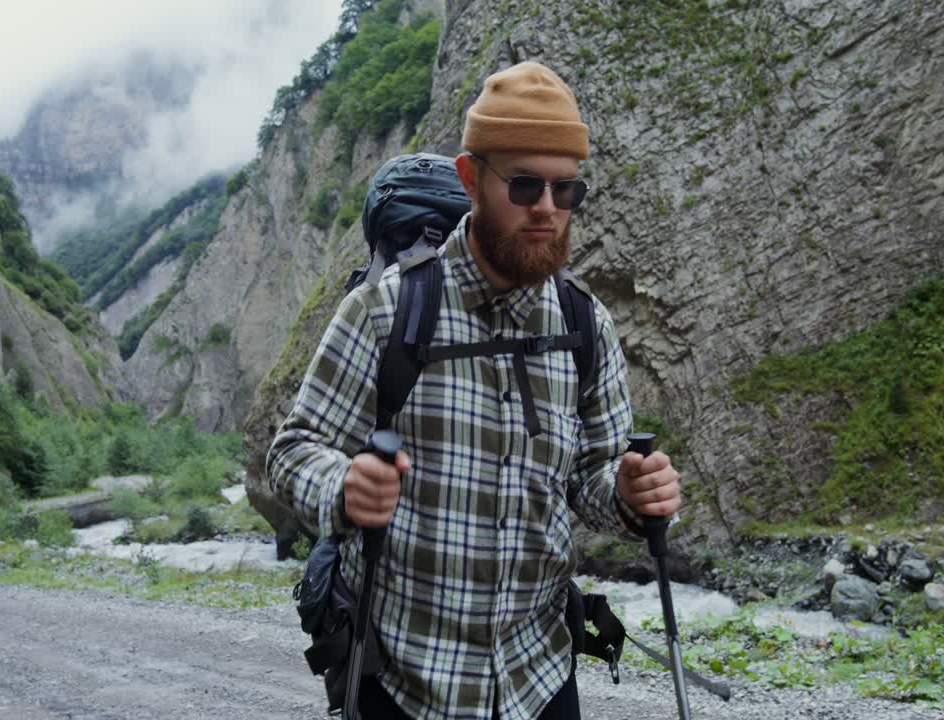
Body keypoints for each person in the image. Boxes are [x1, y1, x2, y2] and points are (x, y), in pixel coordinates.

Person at [267, 61, 682, 720]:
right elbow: (293, 451)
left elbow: (591, 476)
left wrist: (631, 494)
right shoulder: (384, 312)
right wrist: (344, 486)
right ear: (471, 179)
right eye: (523, 185)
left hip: (538, 678)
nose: (546, 208)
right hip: (405, 680)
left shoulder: (584, 325)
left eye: (564, 189)